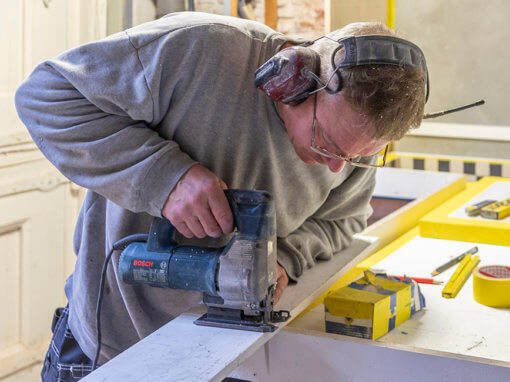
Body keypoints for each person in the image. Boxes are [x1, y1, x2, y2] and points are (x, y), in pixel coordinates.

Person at [15, 11, 426, 381]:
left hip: (228, 357)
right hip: (111, 349)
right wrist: (164, 177)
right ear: (294, 79)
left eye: (357, 157)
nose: (337, 167)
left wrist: (286, 257)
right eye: (327, 143)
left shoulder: (349, 147)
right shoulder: (199, 48)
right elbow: (46, 96)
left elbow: (343, 220)